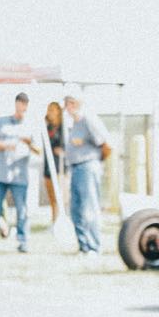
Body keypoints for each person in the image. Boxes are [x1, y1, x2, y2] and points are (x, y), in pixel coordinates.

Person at [0, 93, 37, 253]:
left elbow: (39, 150)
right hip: (0, 174)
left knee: (22, 211)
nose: (23, 108)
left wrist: (29, 142)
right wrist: (7, 145)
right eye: (21, 104)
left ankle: (23, 243)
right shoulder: (2, 122)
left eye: (25, 106)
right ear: (16, 104)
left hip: (19, 175)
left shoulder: (30, 125)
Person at [63, 91, 110, 255]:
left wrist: (96, 162)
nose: (67, 107)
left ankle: (94, 246)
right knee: (76, 209)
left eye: (69, 103)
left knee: (90, 208)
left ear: (76, 103)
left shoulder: (89, 119)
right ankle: (83, 246)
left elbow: (106, 144)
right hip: (75, 168)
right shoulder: (74, 124)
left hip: (88, 167)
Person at [42, 101, 64, 223]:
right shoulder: (47, 127)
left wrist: (62, 151)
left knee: (59, 195)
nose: (50, 112)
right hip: (48, 167)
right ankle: (53, 220)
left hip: (59, 167)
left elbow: (67, 145)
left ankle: (60, 219)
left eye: (52, 110)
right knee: (51, 196)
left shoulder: (63, 128)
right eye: (48, 109)